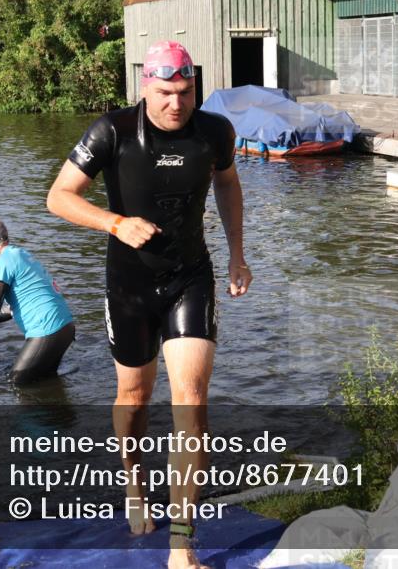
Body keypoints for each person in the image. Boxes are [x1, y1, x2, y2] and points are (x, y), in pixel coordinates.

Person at [47, 39, 251, 566]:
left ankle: (182, 543)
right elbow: (59, 196)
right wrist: (114, 222)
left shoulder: (214, 132)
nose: (175, 104)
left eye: (184, 92)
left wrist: (236, 255)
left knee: (190, 402)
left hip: (191, 277)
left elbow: (228, 185)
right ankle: (133, 482)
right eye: (164, 93)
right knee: (134, 398)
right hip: (130, 284)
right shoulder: (111, 132)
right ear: (145, 87)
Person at [0, 216, 74, 384]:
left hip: (47, 330)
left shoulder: (1, 263)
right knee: (46, 382)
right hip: (65, 328)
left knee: (18, 385)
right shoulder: (20, 254)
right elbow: (10, 310)